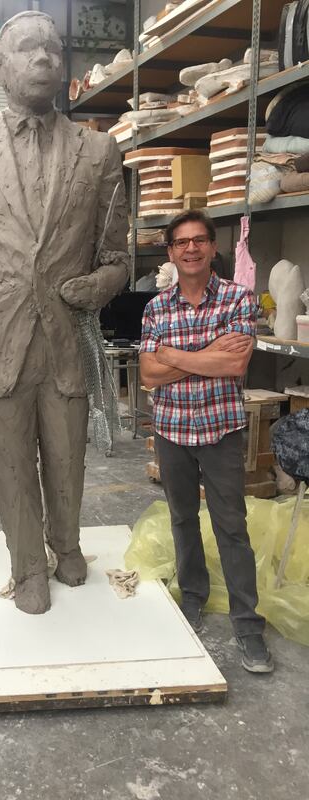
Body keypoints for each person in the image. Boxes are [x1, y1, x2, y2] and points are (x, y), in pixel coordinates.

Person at [0, 11, 129, 615]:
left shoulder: (98, 151)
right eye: (27, 48)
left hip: (67, 334)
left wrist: (97, 286)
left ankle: (66, 547)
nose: (44, 56)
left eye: (52, 46)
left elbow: (120, 254)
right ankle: (26, 569)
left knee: (68, 457)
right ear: (0, 68)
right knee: (12, 462)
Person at [139, 210, 273, 674]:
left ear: (213, 247)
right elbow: (148, 374)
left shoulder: (238, 298)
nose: (191, 249)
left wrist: (173, 355)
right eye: (181, 243)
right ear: (171, 252)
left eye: (199, 240)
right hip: (172, 431)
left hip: (220, 430)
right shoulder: (156, 308)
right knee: (181, 518)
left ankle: (247, 625)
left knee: (231, 526)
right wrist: (206, 355)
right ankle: (193, 595)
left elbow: (234, 366)